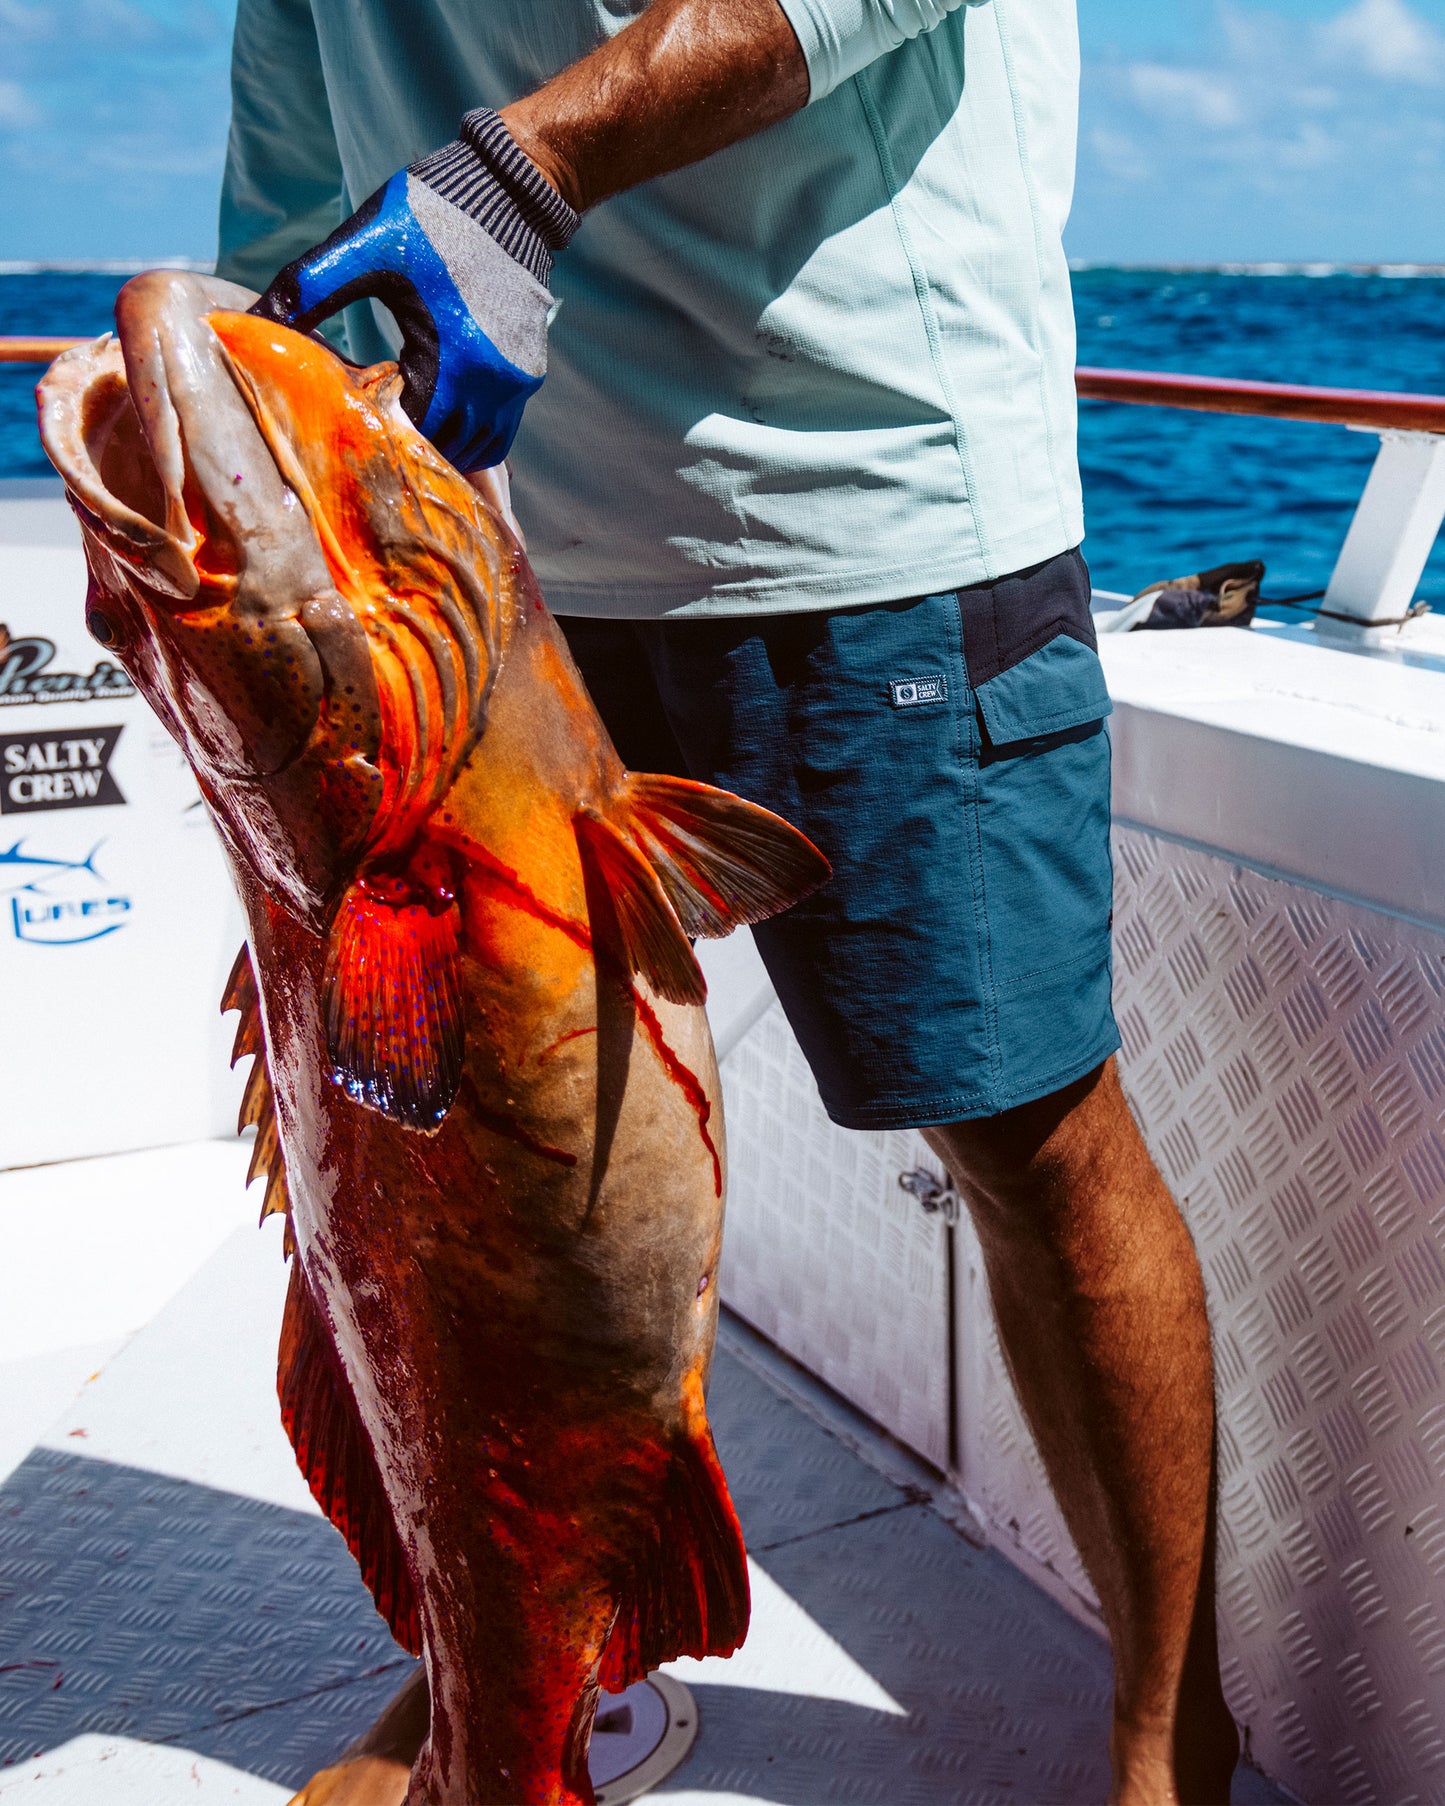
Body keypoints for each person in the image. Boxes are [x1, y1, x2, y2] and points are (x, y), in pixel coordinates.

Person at [219, 2, 1239, 1800]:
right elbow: (287, 194)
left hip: (886, 524)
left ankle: (1168, 1736)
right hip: (514, 566)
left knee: (1025, 1134)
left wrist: (513, 175)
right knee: (481, 1180)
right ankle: (500, 1661)